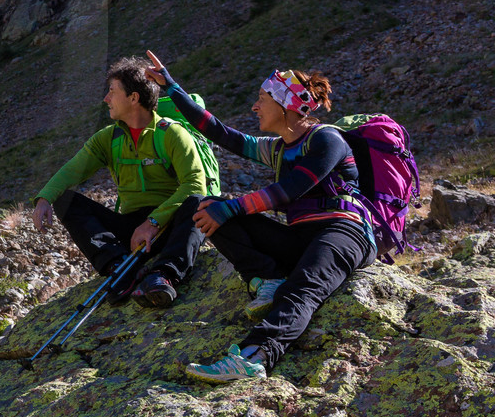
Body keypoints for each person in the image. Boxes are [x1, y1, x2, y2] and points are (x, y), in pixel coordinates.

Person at [143, 50, 374, 385]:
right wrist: (173, 88)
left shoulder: (327, 139)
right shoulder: (279, 146)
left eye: (262, 99)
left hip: (344, 231)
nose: (255, 107)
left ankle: (255, 357)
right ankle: (267, 278)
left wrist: (234, 206)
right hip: (301, 237)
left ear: (286, 105)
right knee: (205, 208)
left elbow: (290, 190)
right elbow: (223, 134)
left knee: (302, 291)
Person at [31, 56, 210, 308]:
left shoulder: (172, 134)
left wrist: (153, 223)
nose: (106, 99)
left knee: (200, 203)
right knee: (65, 199)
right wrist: (44, 197)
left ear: (134, 98)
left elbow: (195, 184)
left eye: (112, 92)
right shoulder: (107, 138)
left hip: (171, 225)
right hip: (132, 231)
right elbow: (73, 170)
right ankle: (119, 267)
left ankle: (165, 274)